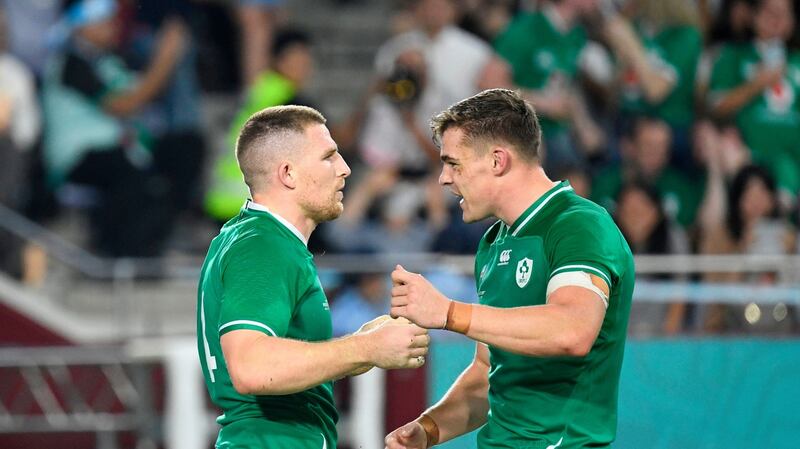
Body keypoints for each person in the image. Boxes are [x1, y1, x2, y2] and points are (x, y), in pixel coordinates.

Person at [384, 89, 635, 449]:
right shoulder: (493, 244)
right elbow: (489, 374)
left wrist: (449, 313)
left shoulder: (579, 226)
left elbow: (572, 330)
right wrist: (428, 430)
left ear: (498, 161)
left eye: (454, 163)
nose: (443, 178)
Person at [197, 105, 430, 449]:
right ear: (288, 173)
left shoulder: (255, 238)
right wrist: (365, 347)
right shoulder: (263, 246)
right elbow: (252, 367)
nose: (346, 169)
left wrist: (364, 347)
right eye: (329, 157)